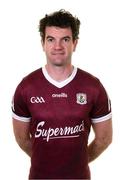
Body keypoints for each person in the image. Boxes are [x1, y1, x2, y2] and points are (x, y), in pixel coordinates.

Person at [12, 9, 112, 179]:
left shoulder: (93, 87)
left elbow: (104, 139)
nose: (58, 46)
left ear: (75, 43)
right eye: (51, 39)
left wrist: (77, 162)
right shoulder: (26, 87)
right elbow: (22, 138)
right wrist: (45, 162)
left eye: (65, 39)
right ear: (43, 43)